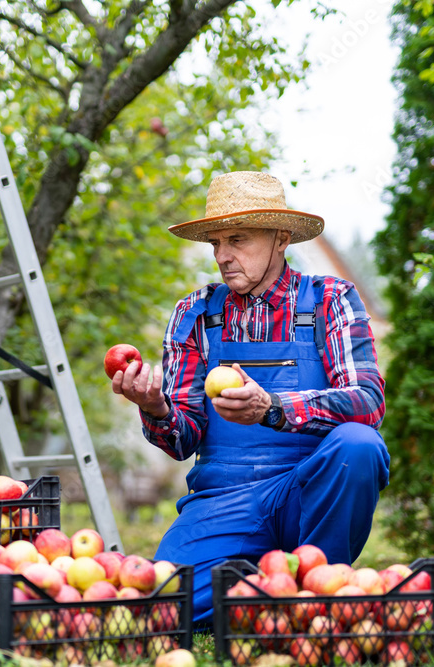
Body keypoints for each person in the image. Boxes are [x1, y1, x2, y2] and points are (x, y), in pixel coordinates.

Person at [112, 171, 389, 625]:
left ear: (280, 238)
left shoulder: (329, 299)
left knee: (358, 446)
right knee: (162, 609)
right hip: (224, 500)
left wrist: (274, 409)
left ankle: (317, 590)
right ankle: (265, 582)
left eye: (237, 239)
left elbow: (367, 401)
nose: (223, 256)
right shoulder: (194, 313)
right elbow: (182, 440)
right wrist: (156, 407)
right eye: (216, 243)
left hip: (307, 493)